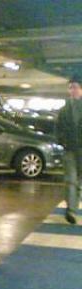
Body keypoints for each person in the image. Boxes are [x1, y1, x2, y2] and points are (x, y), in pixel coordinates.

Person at [56, 74, 82, 224]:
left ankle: (74, 206)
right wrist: (62, 142)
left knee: (78, 181)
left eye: (77, 87)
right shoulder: (64, 110)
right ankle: (71, 210)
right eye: (71, 87)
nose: (74, 90)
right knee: (71, 180)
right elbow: (58, 128)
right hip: (70, 150)